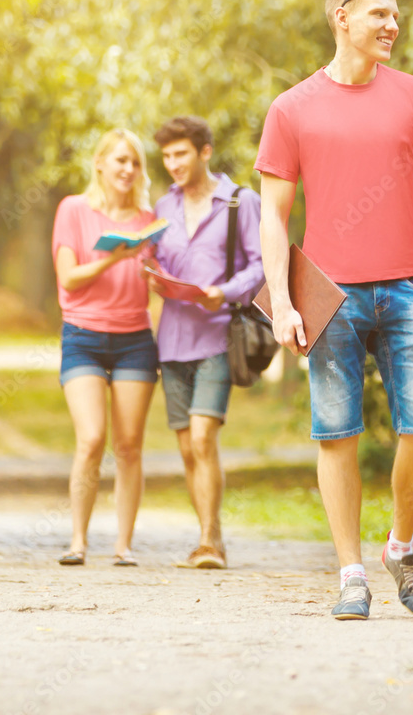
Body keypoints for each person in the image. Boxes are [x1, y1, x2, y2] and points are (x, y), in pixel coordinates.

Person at [255, 0, 413, 620]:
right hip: (328, 292)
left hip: (407, 288)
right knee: (336, 433)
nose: (391, 25)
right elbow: (271, 215)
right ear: (341, 17)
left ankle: (398, 547)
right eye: (377, 14)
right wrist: (283, 304)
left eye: (394, 14)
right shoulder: (291, 108)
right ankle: (349, 573)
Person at [146, 116, 265, 570]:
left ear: (204, 152)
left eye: (181, 154)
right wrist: (150, 272)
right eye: (167, 156)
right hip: (172, 342)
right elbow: (157, 260)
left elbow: (259, 266)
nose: (173, 163)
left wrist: (226, 290)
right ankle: (204, 539)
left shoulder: (240, 201)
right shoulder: (163, 206)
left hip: (218, 334)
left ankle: (211, 539)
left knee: (202, 438)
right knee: (183, 447)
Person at [52, 129, 160, 566]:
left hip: (135, 339)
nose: (128, 170)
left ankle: (123, 546)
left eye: (134, 162)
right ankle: (78, 541)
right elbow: (69, 278)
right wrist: (117, 256)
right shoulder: (74, 210)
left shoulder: (148, 219)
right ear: (99, 164)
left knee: (130, 444)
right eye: (119, 160)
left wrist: (153, 274)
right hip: (83, 337)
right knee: (92, 438)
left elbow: (152, 283)